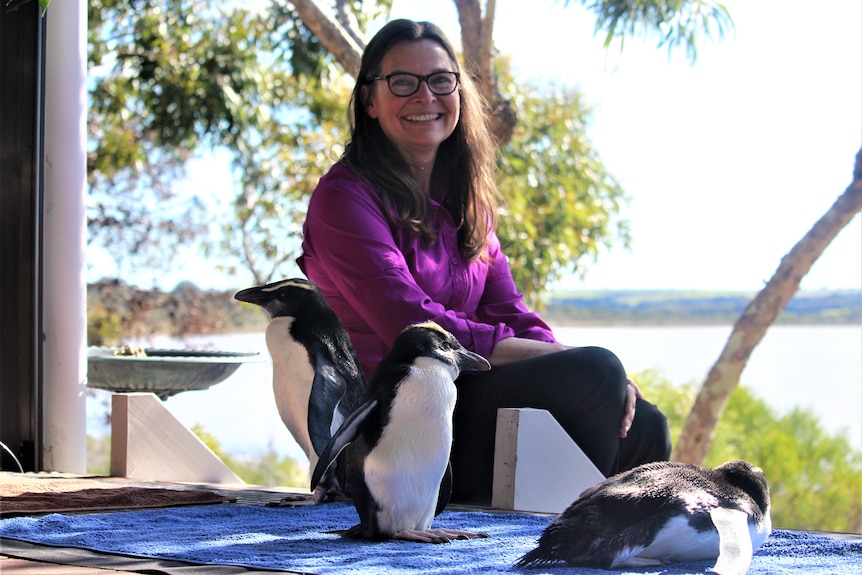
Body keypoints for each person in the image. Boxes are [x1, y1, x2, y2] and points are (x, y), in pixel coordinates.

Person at [297, 18, 671, 505]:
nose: (424, 96)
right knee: (598, 374)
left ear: (459, 91)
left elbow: (510, 312)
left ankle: (618, 546)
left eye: (440, 80)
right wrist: (577, 366)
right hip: (393, 432)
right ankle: (571, 538)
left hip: (463, 401)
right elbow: (413, 327)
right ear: (369, 100)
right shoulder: (343, 199)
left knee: (642, 422)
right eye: (402, 82)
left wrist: (567, 359)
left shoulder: (467, 202)